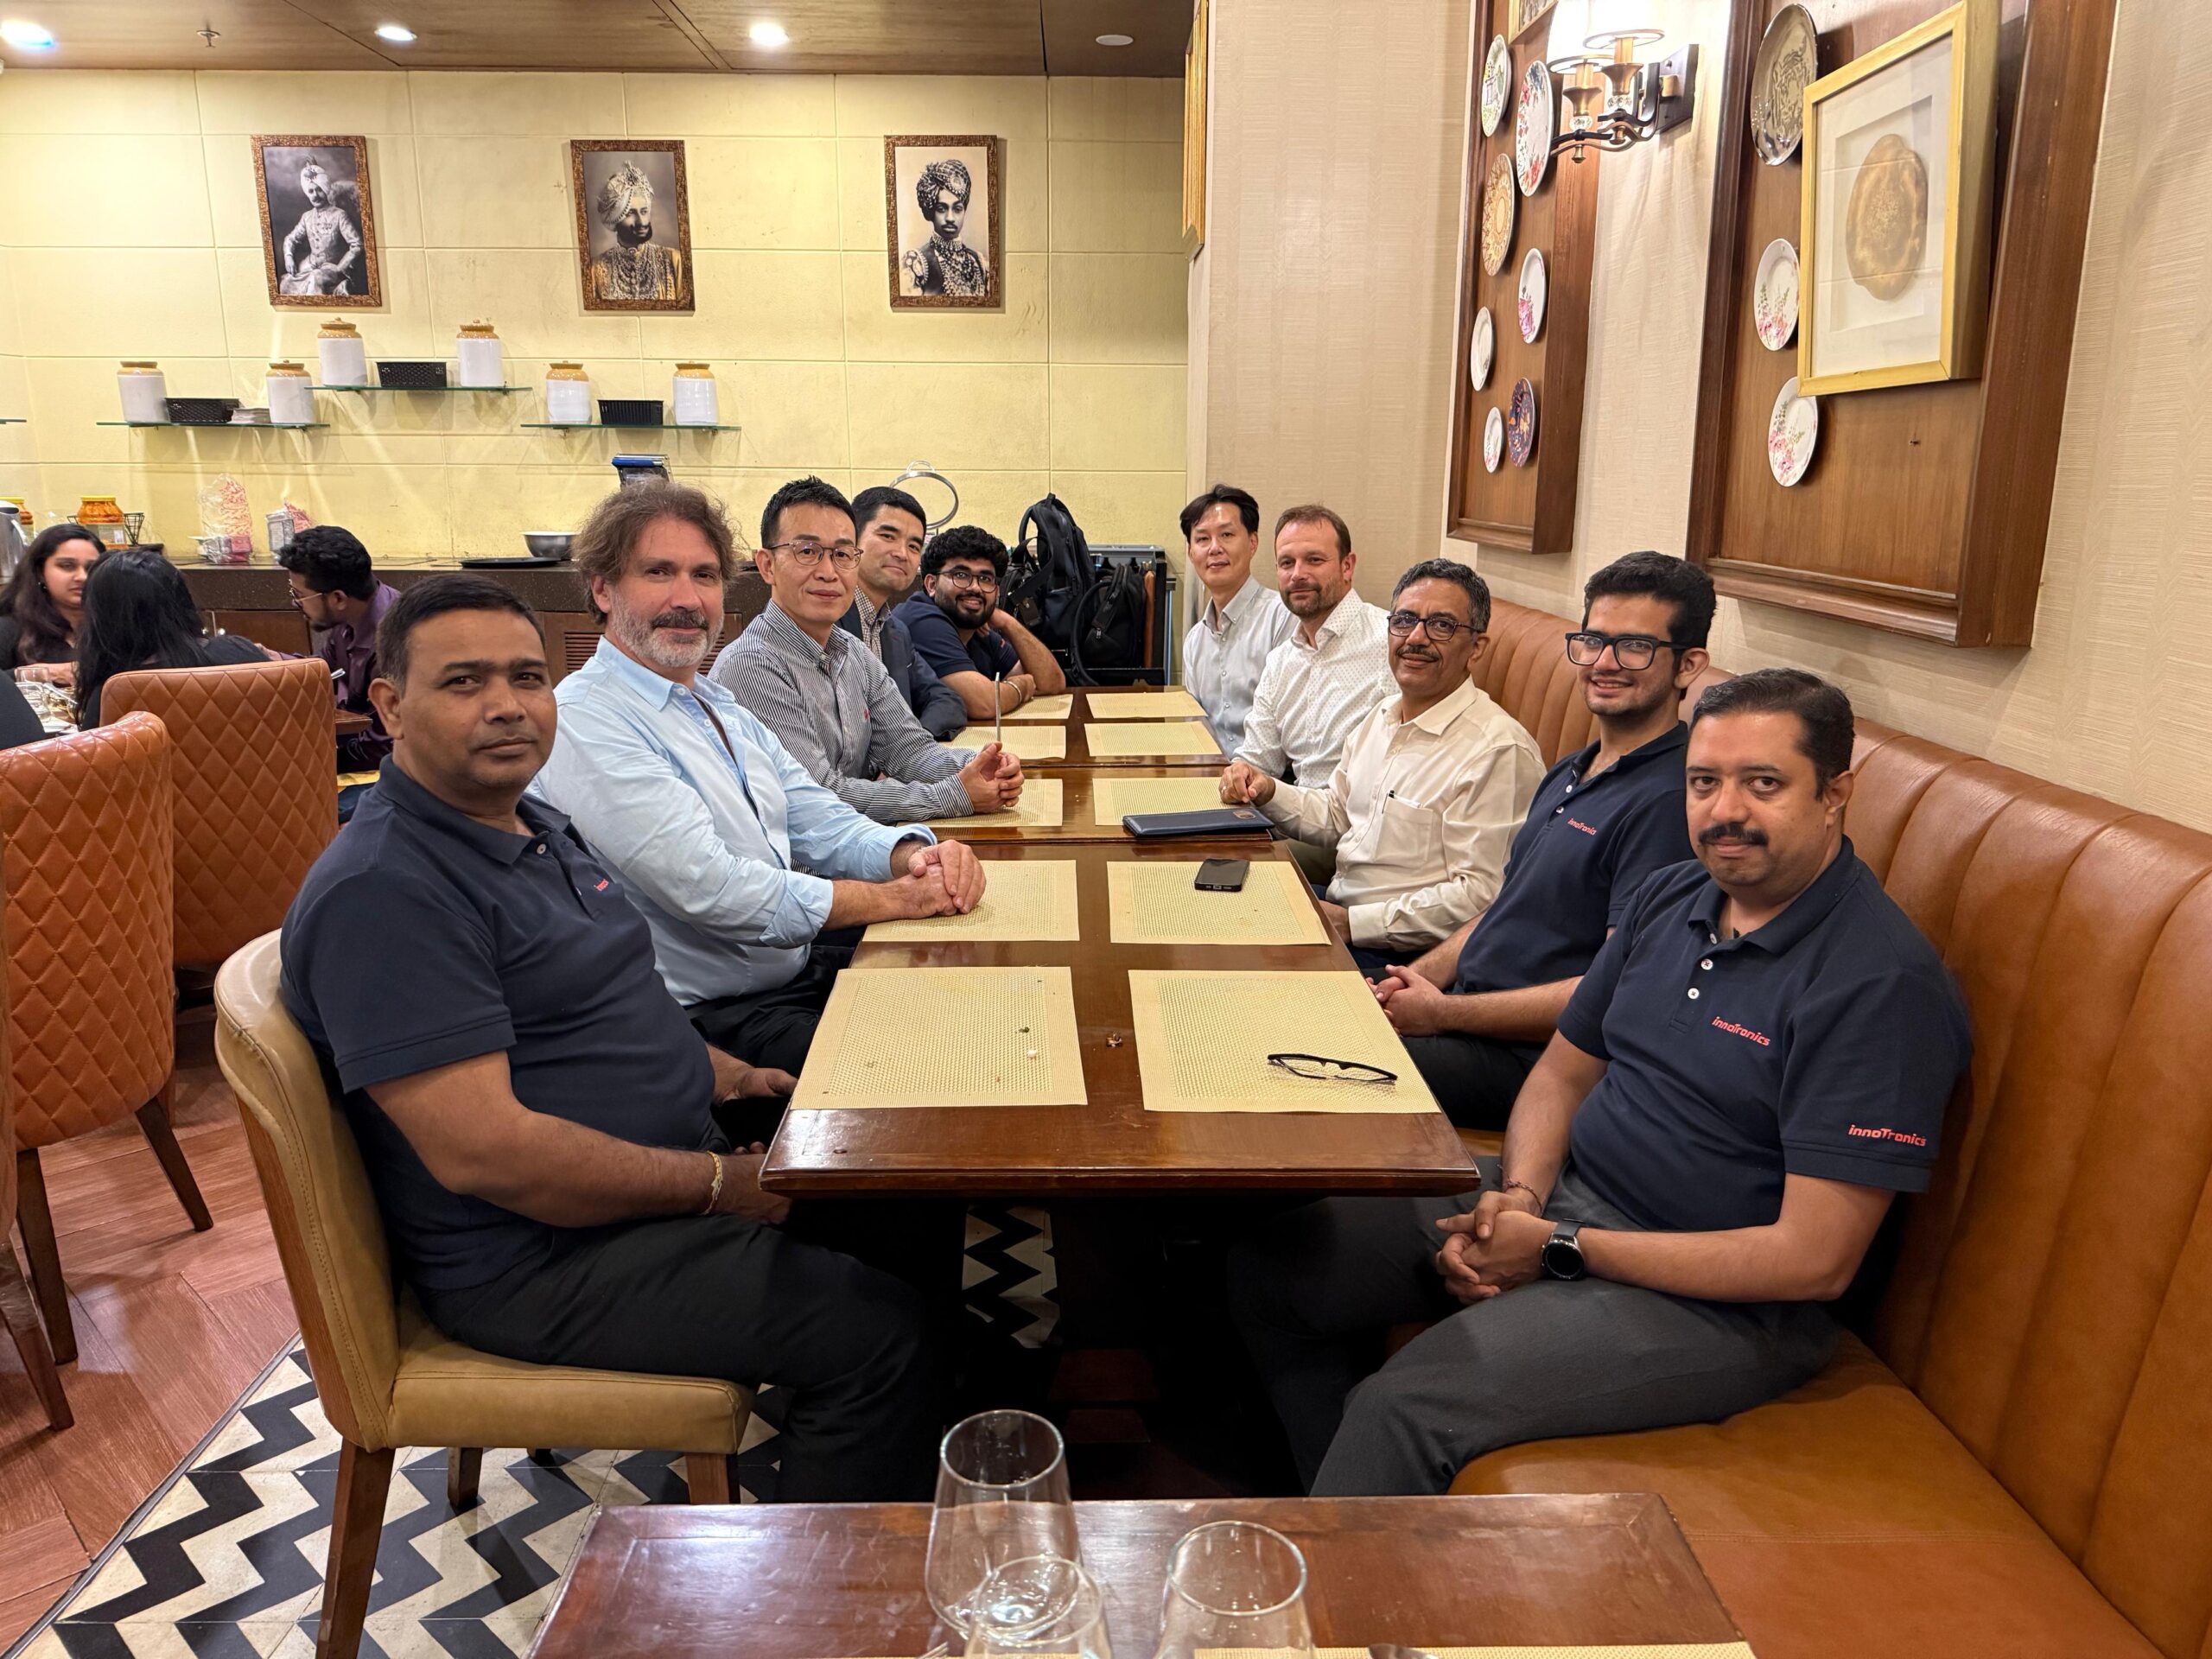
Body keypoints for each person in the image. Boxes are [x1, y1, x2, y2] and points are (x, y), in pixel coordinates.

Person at [1228, 668, 1972, 1497]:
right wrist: (1521, 1197)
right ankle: (1334, 1514)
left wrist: (1557, 1246)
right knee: (1277, 1263)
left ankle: (1341, 1561)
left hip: (1722, 1305)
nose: (1724, 811)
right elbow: (1561, 1071)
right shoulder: (1673, 895)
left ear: (1835, 794)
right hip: (1571, 1200)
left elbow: (1812, 1261)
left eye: (1764, 784)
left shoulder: (1880, 984)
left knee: (1401, 1409)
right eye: (1704, 782)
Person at [280, 575, 943, 1501]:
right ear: (389, 707)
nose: (507, 706)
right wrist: (720, 1186)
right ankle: (834, 1565)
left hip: (651, 1171)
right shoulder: (389, 891)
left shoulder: (529, 822)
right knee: (880, 1338)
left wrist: (729, 1075)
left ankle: (950, 1418)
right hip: (541, 1256)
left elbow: (602, 1001)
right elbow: (489, 1155)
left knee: (906, 1177)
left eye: (527, 677)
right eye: (465, 682)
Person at [531, 482, 988, 1078]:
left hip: (791, 971)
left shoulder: (715, 704)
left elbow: (815, 814)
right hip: (705, 1025)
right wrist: (894, 897)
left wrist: (911, 856)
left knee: (976, 999)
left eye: (704, 575)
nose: (686, 598)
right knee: (932, 1066)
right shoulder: (586, 719)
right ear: (602, 589)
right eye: (658, 572)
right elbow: (713, 889)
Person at [1372, 552, 1714, 1129]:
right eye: (1593, 642)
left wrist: (1444, 1013)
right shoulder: (1572, 770)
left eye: (1634, 647)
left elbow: (1613, 992)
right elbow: (1503, 910)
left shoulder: (1667, 802)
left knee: (1306, 1055)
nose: (1604, 663)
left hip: (1531, 1063)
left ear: (1688, 666)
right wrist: (1414, 980)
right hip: (1461, 1015)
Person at [1223, 560, 1541, 976]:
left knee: (1237, 976)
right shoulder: (1382, 717)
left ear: (1476, 647)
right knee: (1211, 911)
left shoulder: (1498, 751)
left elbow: (1481, 897)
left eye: (1441, 625)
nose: (1416, 638)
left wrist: (1353, 924)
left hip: (1404, 957)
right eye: (1404, 620)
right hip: (1342, 909)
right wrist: (1268, 790)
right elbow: (1338, 815)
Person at [712, 476, 1024, 827]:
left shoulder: (854, 653)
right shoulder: (752, 666)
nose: (829, 572)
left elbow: (909, 750)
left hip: (859, 843)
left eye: (842, 554)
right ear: (767, 565)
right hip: (794, 857)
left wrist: (980, 764)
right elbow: (818, 797)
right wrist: (954, 795)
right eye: (807, 551)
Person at [1234, 505, 1395, 786]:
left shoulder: (1390, 642)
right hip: (1292, 810)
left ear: (1347, 566)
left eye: (1314, 560)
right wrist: (1240, 774)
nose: (1298, 574)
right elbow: (1259, 761)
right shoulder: (1281, 661)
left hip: (1361, 813)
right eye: (1287, 563)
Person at [74, 550, 270, 727]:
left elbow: (93, 756)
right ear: (182, 599)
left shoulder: (115, 692)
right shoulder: (241, 652)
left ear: (103, 619)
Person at [894, 525, 1067, 721]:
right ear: (932, 585)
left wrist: (1008, 623)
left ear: (997, 591)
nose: (975, 588)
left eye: (985, 578)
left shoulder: (977, 629)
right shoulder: (921, 619)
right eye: (961, 575)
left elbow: (1052, 683)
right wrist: (1023, 685)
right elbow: (984, 704)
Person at [842, 484, 967, 741]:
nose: (902, 554)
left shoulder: (895, 630)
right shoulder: (824, 622)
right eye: (888, 536)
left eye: (913, 546)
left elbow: (947, 700)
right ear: (852, 540)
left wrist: (912, 746)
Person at [1180, 484, 1292, 757]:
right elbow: (1196, 730)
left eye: (1227, 535)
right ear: (1191, 552)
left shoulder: (1281, 618)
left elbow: (1289, 725)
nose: (1214, 548)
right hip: (1211, 776)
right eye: (1202, 539)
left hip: (1270, 778)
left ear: (1253, 543)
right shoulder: (1195, 640)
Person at [277, 524, 400, 771]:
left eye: (299, 595)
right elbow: (325, 671)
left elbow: (385, 746)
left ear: (338, 598)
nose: (295, 602)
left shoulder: (393, 639)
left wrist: (313, 764)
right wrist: (272, 661)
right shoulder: (350, 616)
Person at [0, 523, 100, 683]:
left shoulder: (115, 626)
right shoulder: (9, 628)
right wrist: (40, 674)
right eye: (67, 566)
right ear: (40, 572)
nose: (82, 577)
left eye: (92, 568)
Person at [588, 161, 684, 304]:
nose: (642, 222)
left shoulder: (674, 261)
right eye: (630, 213)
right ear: (615, 219)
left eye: (644, 211)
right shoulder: (595, 269)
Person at [903, 157, 988, 297]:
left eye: (957, 209)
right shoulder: (916, 263)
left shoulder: (980, 263)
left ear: (964, 211)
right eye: (942, 209)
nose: (950, 218)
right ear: (931, 211)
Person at [278, 162, 363, 296]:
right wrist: (288, 257)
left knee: (316, 278)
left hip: (332, 269)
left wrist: (341, 267)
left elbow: (357, 245)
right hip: (309, 267)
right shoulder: (307, 217)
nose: (315, 195)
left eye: (319, 190)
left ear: (325, 189)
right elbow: (290, 239)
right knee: (286, 283)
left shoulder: (339, 215)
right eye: (311, 191)